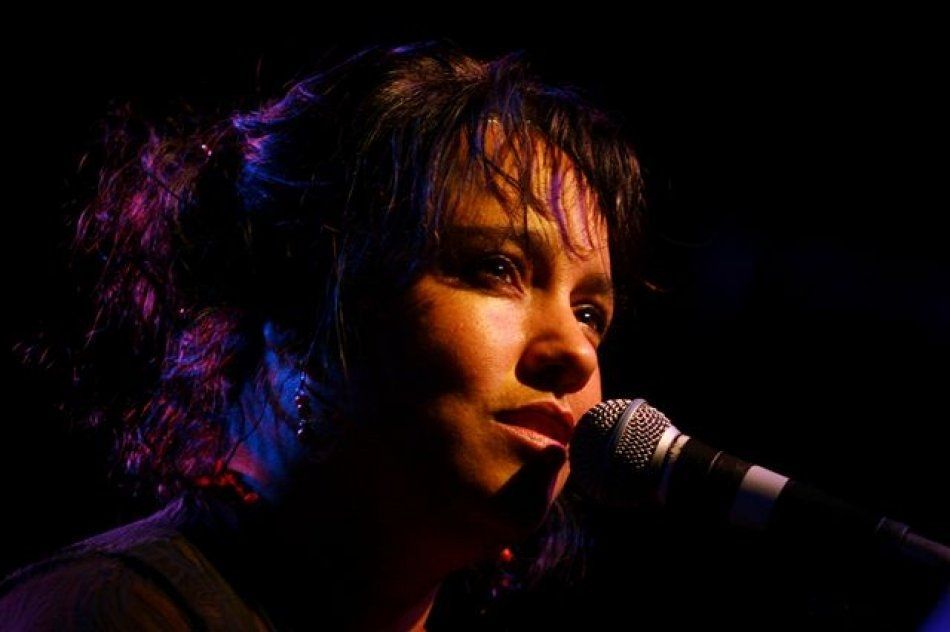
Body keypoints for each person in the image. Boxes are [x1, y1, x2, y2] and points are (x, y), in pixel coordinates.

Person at [0, 41, 642, 630]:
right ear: (304, 298)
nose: (576, 351)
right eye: (495, 269)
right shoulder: (109, 614)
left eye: (590, 312)